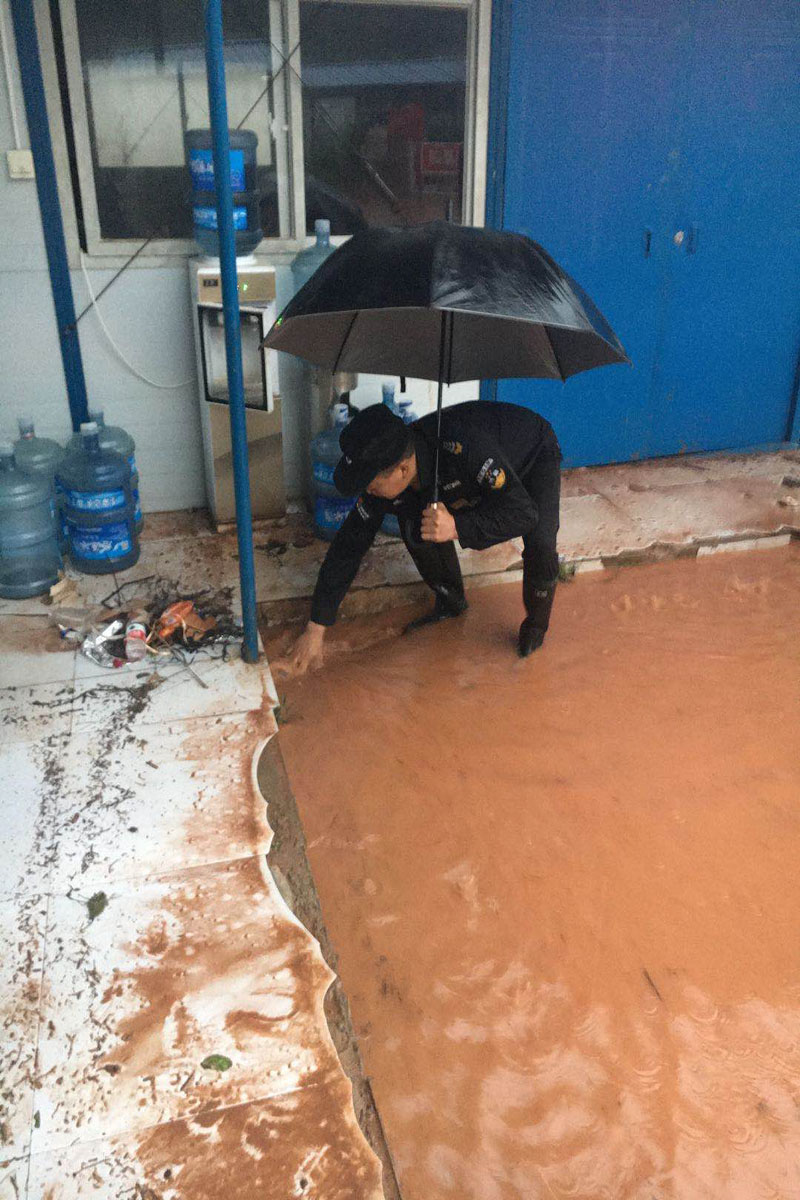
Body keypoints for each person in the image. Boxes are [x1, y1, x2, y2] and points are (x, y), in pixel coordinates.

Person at [278, 400, 561, 674]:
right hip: (470, 478)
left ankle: (536, 626)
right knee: (417, 525)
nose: (368, 492)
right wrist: (316, 627)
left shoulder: (463, 449)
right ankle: (451, 603)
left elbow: (525, 514)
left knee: (541, 544)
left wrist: (457, 527)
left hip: (530, 455)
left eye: (371, 485)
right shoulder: (390, 458)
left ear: (403, 469)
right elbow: (349, 545)